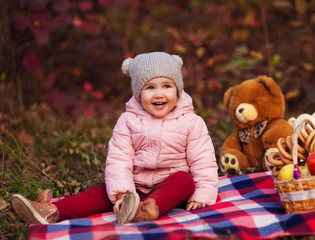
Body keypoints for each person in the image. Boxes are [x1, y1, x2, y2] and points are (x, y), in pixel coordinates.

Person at [11, 52, 219, 225]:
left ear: (178, 89)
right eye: (150, 87)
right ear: (138, 92)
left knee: (184, 180)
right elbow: (119, 159)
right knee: (99, 193)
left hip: (168, 190)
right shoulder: (128, 120)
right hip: (134, 186)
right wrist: (122, 194)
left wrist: (203, 195)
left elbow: (203, 160)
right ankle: (51, 211)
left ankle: (146, 210)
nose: (158, 94)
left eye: (167, 86)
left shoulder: (191, 122)